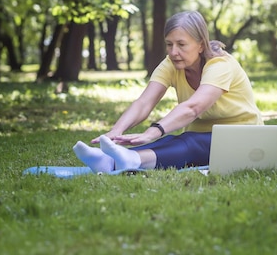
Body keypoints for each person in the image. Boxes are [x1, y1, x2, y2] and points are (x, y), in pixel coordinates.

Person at [73, 10, 263, 172]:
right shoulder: (170, 64)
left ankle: (134, 160)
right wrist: (115, 132)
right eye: (169, 44)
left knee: (189, 142)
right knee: (173, 141)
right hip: (199, 137)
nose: (173, 52)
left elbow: (193, 108)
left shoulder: (221, 65)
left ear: (201, 45)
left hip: (244, 139)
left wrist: (153, 131)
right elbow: (144, 103)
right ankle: (110, 161)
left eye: (181, 44)